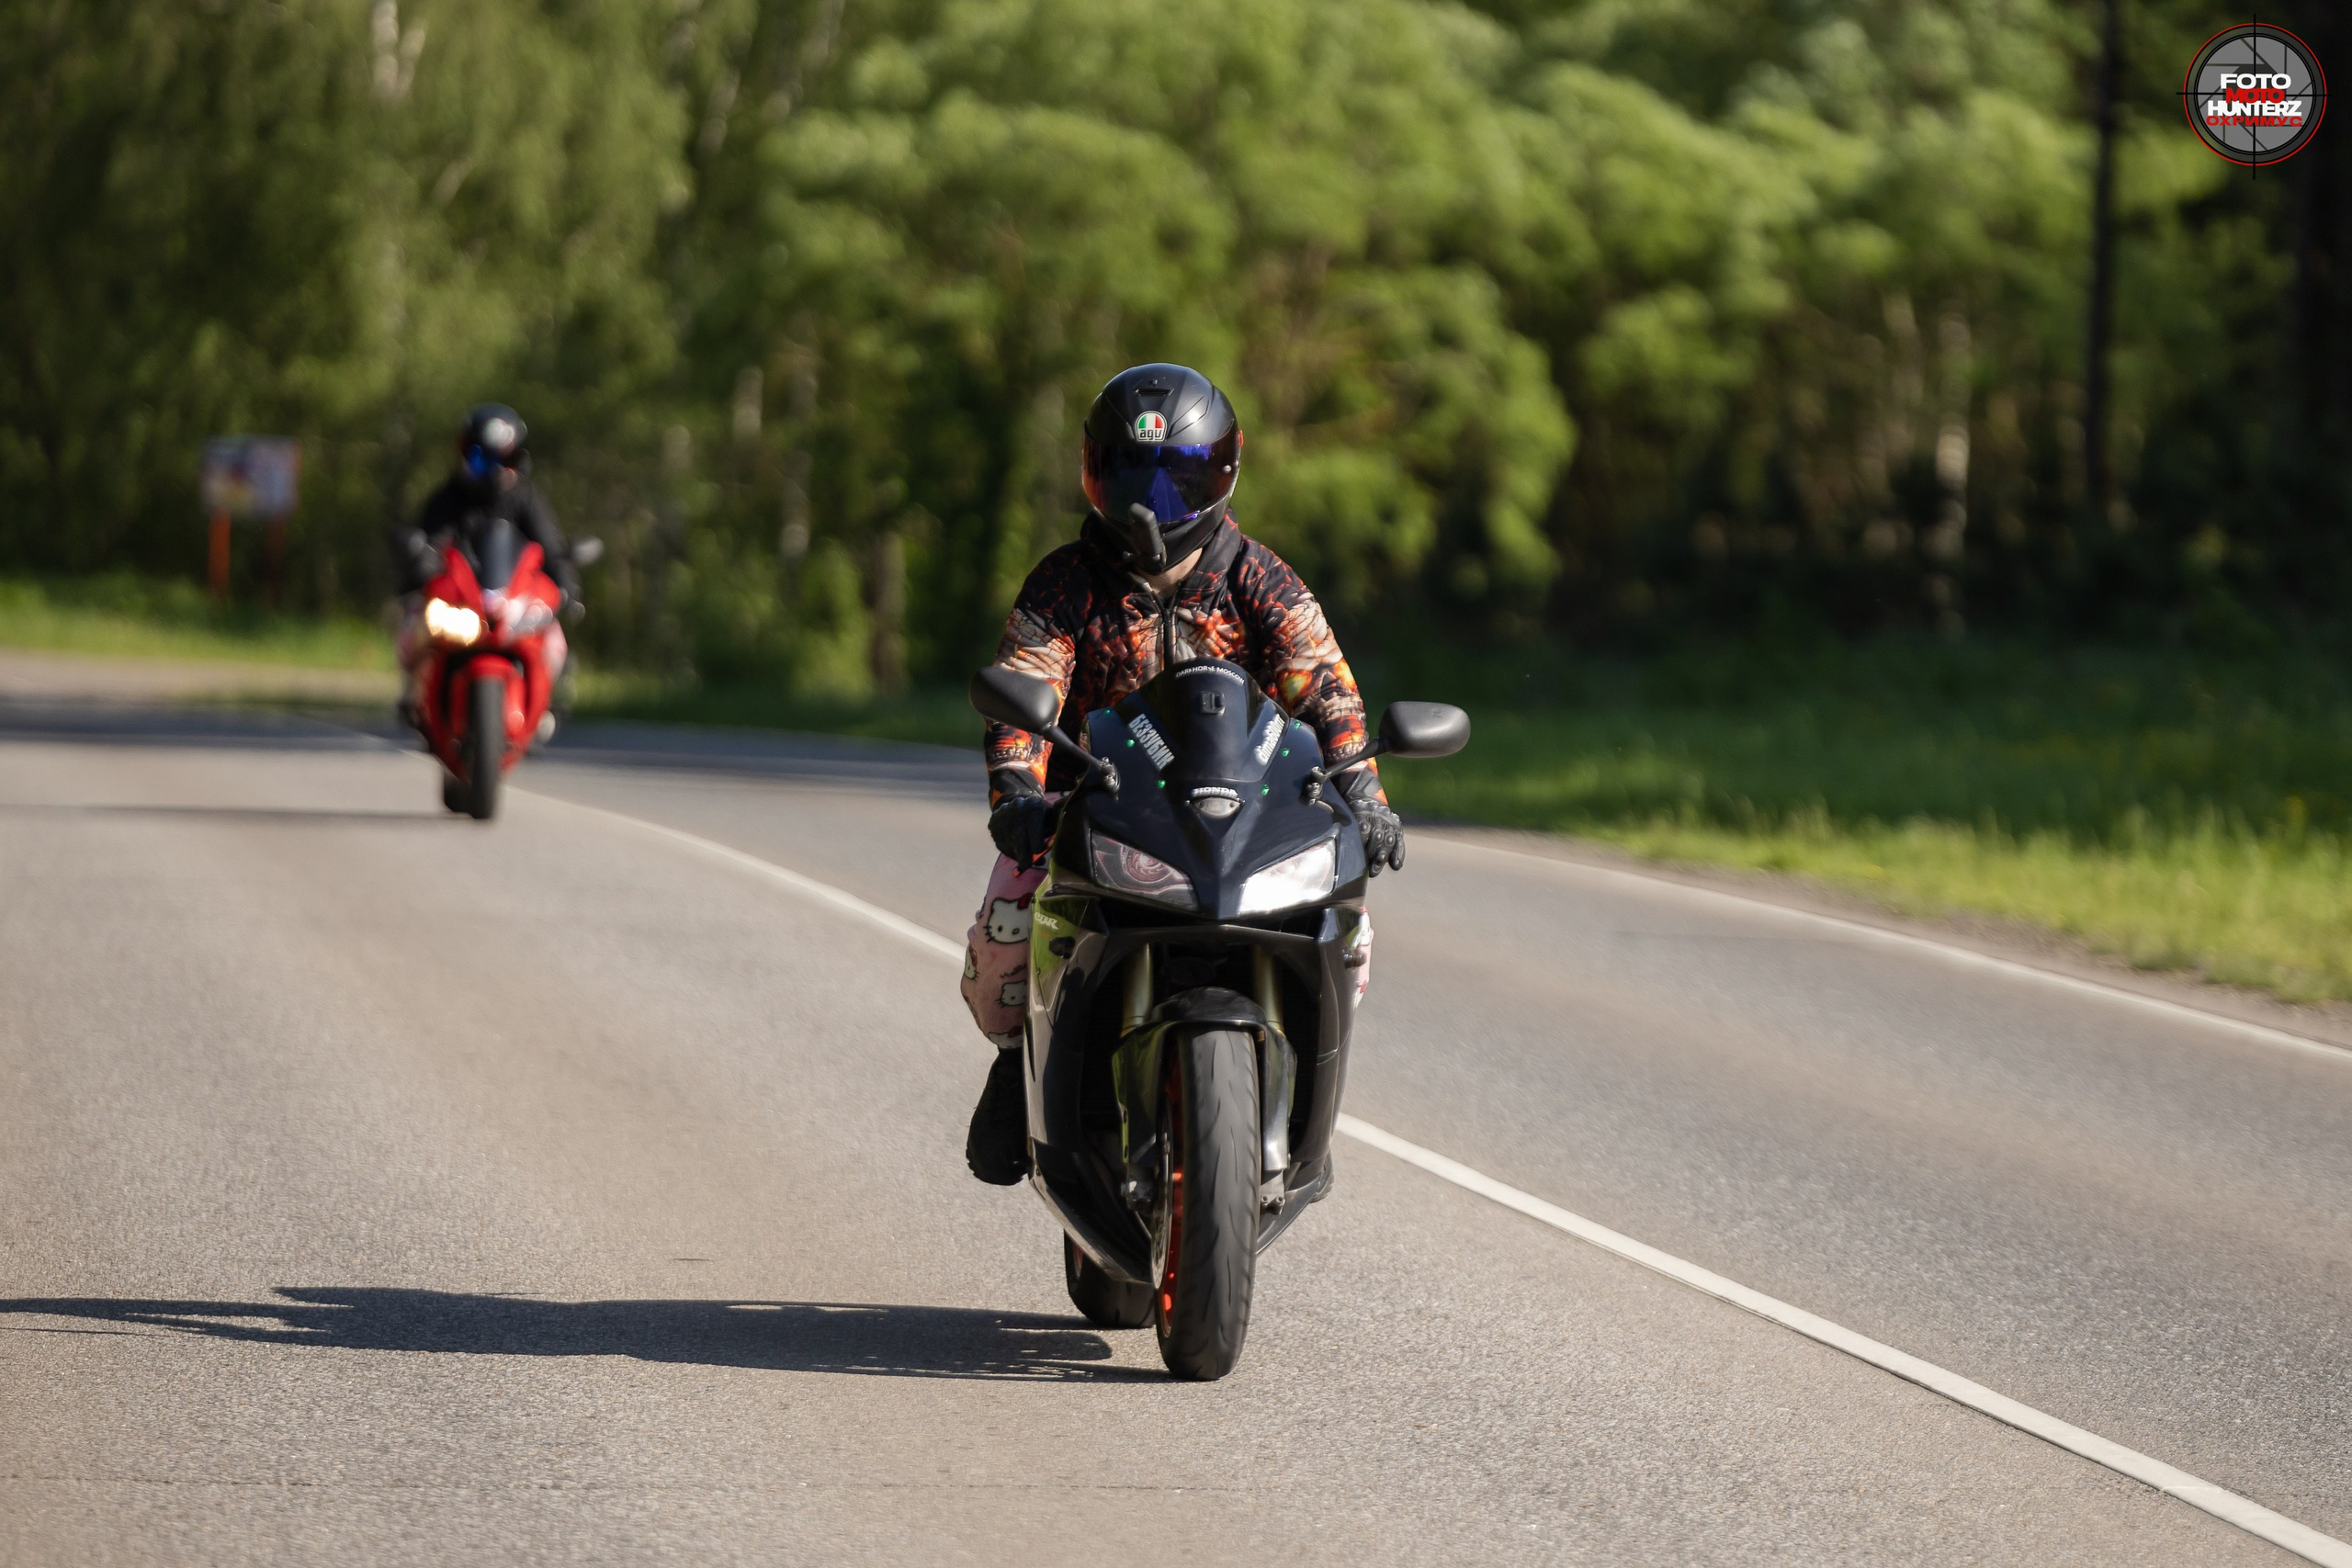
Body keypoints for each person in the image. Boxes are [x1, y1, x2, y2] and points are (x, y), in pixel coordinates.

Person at [961, 363, 1404, 1185]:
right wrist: (1018, 791)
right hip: (1092, 807)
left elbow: (1324, 683)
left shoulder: (1258, 577)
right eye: (1128, 475)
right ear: (1095, 473)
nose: (1147, 505)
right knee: (1004, 936)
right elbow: (1026, 679)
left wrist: (1365, 794)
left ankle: (1303, 1083)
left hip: (1251, 807)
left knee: (1350, 935)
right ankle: (1021, 1054)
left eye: (1173, 481)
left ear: (1221, 476)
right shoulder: (1065, 583)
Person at [389, 403, 581, 730]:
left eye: (507, 460)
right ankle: (414, 694)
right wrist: (419, 572)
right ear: (465, 455)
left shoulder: (526, 498)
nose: (495, 470)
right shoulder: (448, 498)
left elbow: (551, 548)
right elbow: (429, 544)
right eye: (482, 458)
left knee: (553, 636)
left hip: (514, 605)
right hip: (461, 604)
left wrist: (568, 589)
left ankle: (548, 702)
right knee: (414, 625)